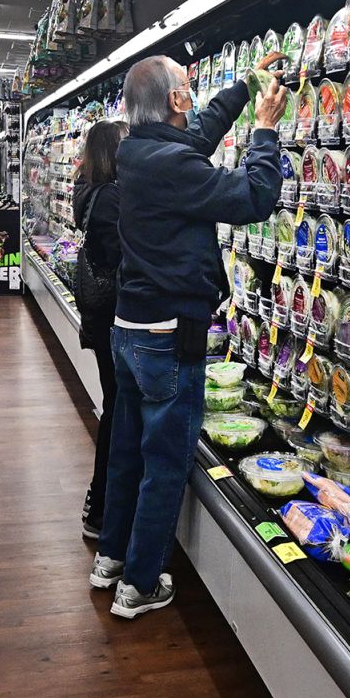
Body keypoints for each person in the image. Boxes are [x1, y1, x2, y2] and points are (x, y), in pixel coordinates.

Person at [90, 51, 288, 619]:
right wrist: (267, 132)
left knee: (128, 450)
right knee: (165, 460)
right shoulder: (171, 167)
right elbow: (254, 197)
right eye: (187, 86)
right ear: (176, 101)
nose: (195, 91)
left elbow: (194, 136)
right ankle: (141, 584)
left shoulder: (138, 150)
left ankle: (110, 559)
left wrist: (246, 85)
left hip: (130, 328)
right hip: (169, 333)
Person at [71, 119, 129, 539]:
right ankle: (101, 504)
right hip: (114, 316)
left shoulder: (88, 190)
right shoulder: (113, 198)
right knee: (116, 408)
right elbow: (122, 256)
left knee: (115, 403)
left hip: (98, 312)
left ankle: (104, 501)